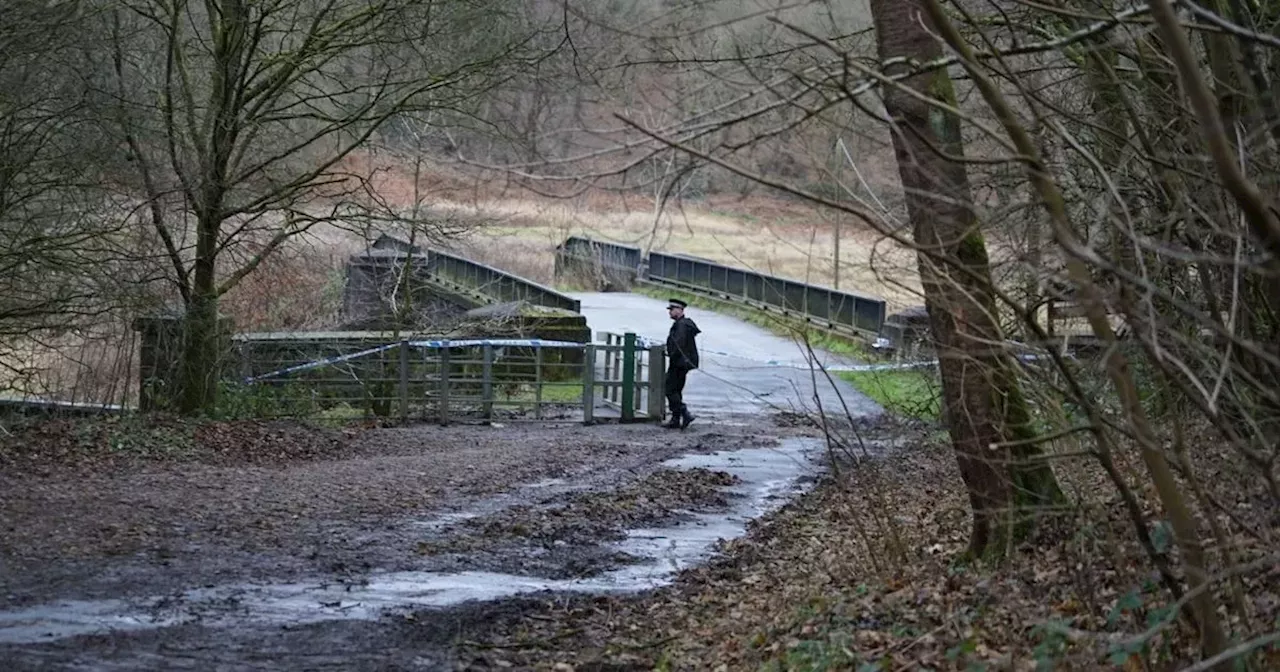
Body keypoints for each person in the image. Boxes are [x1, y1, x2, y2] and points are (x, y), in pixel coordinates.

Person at [664, 297, 701, 429]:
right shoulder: (684, 324)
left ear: (680, 310)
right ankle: (676, 418)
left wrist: (671, 353)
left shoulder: (681, 326)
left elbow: (678, 344)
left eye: (672, 309)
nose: (670, 312)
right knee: (676, 389)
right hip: (684, 362)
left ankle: (684, 413)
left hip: (679, 362)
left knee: (669, 388)